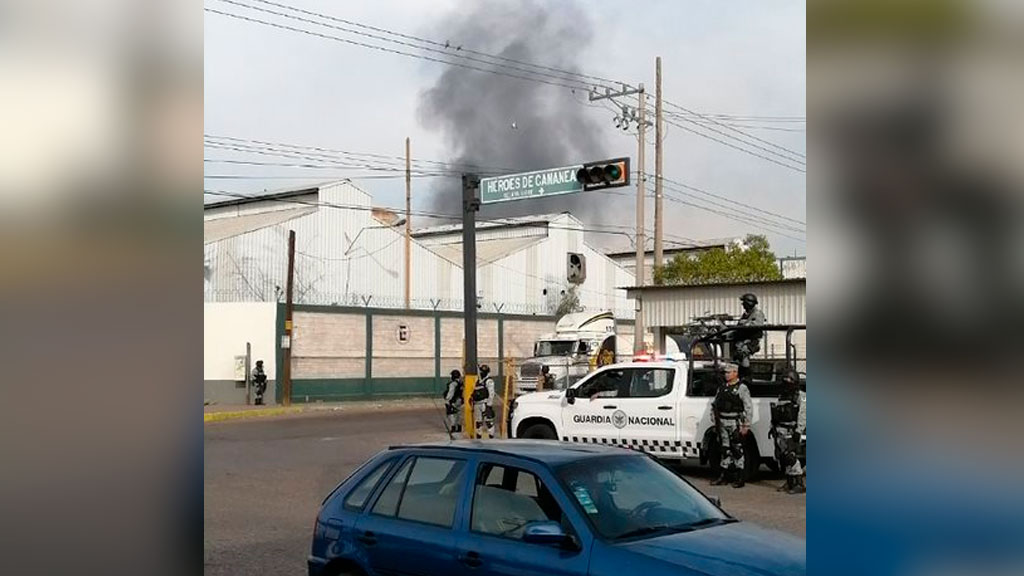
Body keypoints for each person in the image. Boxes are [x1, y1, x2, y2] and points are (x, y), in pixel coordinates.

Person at [710, 364, 754, 488]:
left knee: (737, 449)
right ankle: (724, 475)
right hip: (722, 421)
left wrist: (746, 425)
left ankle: (740, 477)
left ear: (736, 373)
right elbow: (715, 405)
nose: (726, 374)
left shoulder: (742, 388)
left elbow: (748, 407)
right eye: (725, 373)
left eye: (729, 372)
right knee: (724, 449)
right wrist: (715, 421)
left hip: (735, 422)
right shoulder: (722, 388)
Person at [771, 369, 806, 494]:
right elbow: (778, 412)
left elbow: (803, 414)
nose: (787, 382)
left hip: (792, 429)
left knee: (790, 456)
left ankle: (799, 483)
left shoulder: (800, 396)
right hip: (781, 429)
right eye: (785, 379)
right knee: (782, 457)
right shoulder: (782, 395)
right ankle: (789, 482)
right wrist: (773, 427)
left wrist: (798, 431)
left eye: (790, 380)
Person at [734, 293, 767, 382]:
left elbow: (757, 325)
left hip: (752, 341)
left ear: (749, 303)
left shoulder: (757, 313)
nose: (742, 304)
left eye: (744, 302)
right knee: (737, 357)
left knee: (743, 352)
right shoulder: (746, 314)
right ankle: (742, 377)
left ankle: (747, 377)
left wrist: (744, 323)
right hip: (742, 340)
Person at [472, 364, 498, 439]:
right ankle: (478, 435)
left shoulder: (489, 381)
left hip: (484, 403)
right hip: (477, 404)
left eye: (483, 371)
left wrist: (489, 405)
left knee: (488, 421)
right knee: (478, 422)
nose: (481, 372)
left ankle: (491, 436)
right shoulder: (478, 381)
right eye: (481, 371)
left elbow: (491, 393)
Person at [443, 369, 464, 434]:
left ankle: (453, 427)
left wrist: (447, 400)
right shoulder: (461, 383)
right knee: (459, 414)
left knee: (451, 414)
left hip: (453, 401)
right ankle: (459, 427)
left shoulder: (453, 384)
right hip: (460, 400)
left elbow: (451, 393)